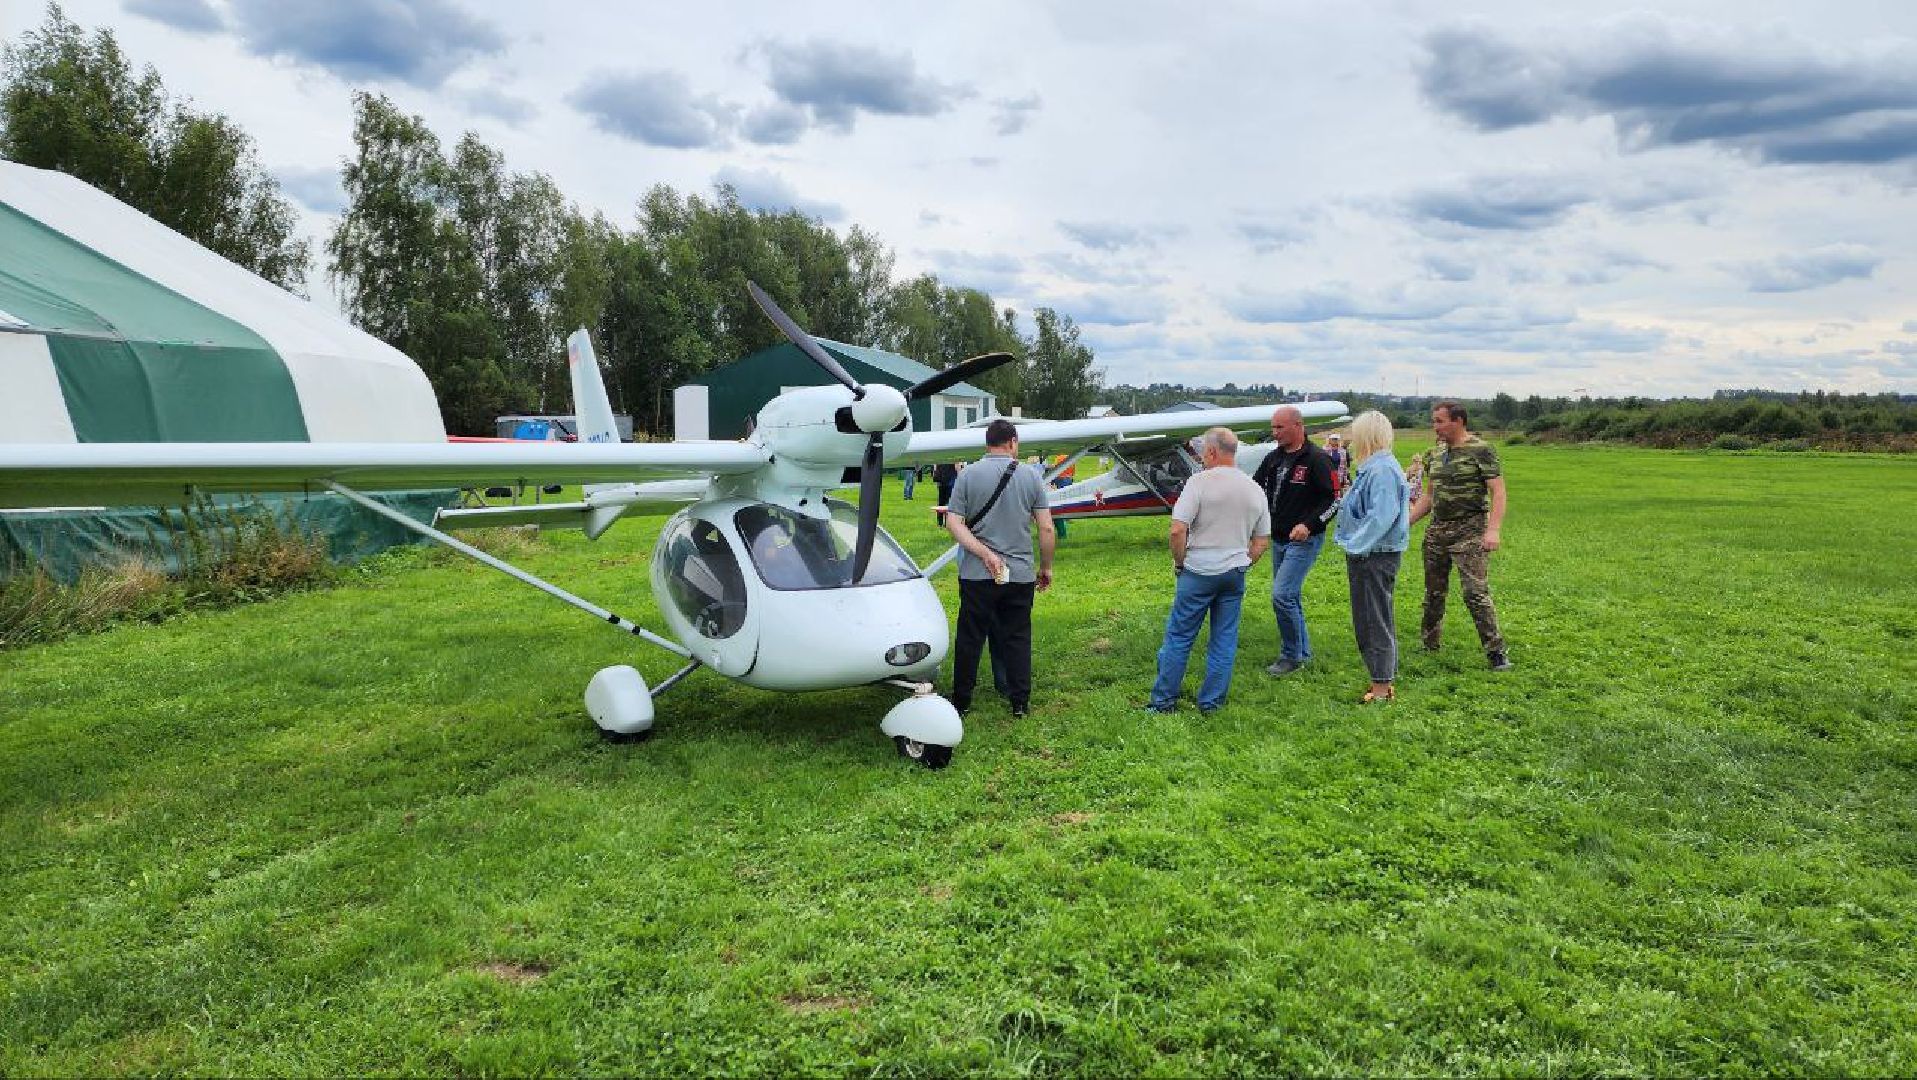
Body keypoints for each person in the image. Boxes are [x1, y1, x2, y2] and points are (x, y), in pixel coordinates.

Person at [1147, 428, 1271, 713]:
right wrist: (1244, 562)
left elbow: (1178, 529)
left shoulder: (1199, 483)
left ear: (1212, 452)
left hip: (1198, 571)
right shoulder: (1254, 488)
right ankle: (1211, 703)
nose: (1202, 457)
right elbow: (1262, 541)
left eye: (1204, 451)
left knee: (1179, 638)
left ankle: (1163, 701)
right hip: (1234, 573)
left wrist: (1180, 563)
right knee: (1224, 640)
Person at [944, 419, 1056, 717]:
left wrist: (983, 552)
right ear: (1012, 442)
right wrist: (1045, 567)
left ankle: (962, 700)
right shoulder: (1031, 477)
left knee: (970, 637)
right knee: (1017, 636)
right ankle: (1019, 702)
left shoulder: (968, 475)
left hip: (976, 574)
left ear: (987, 444)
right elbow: (1046, 528)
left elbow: (953, 521)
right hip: (1018, 573)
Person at [1408, 400, 1512, 670]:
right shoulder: (1435, 453)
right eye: (1434, 421)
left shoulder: (1481, 450)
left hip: (1470, 530)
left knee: (1475, 593)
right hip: (1438, 530)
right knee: (1433, 592)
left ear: (1458, 420)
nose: (1435, 426)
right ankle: (1429, 643)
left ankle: (1496, 652)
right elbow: (1429, 496)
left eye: (1440, 421)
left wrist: (1493, 530)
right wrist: (1406, 522)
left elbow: (1498, 491)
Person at [1251, 405, 1339, 676]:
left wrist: (1309, 525)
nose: (1274, 433)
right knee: (1290, 596)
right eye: (1273, 427)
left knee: (1282, 595)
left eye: (1279, 427)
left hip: (1303, 540)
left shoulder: (1317, 459)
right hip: (1278, 538)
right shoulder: (1273, 459)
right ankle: (1302, 652)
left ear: (1298, 426)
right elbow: (1255, 489)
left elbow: (1334, 500)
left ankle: (1290, 656)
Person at [1333, 411, 1410, 703]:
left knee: (1375, 619)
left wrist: (1355, 545)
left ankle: (1381, 687)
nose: (1352, 440)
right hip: (1368, 553)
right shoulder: (1374, 468)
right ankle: (1380, 680)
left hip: (1374, 555)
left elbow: (1382, 516)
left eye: (1356, 434)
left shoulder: (1382, 471)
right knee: (1367, 618)